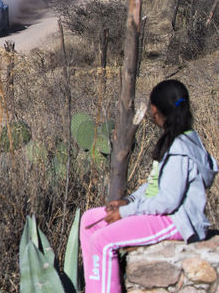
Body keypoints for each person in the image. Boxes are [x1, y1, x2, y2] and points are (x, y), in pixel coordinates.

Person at [80, 79, 217, 293]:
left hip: (176, 220)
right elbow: (156, 184)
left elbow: (168, 201)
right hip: (160, 213)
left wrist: (126, 212)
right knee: (90, 221)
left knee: (102, 241)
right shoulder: (178, 139)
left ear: (156, 111)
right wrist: (129, 200)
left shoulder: (181, 149)